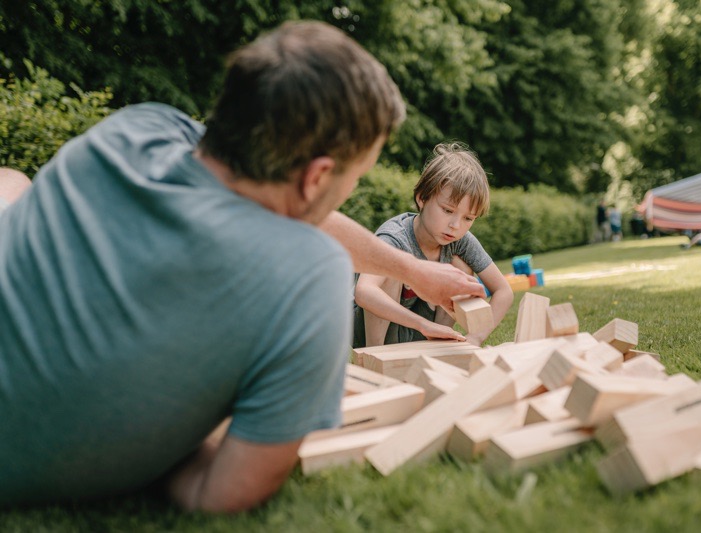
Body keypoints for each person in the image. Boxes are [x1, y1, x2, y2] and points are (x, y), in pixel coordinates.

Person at [0, 21, 485, 513]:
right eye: (353, 178)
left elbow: (285, 202)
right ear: (318, 176)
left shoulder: (136, 130)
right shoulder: (311, 275)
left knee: (11, 183)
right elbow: (223, 492)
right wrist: (156, 436)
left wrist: (414, 271)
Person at [352, 142, 513, 348]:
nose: (455, 225)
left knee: (461, 267)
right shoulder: (395, 236)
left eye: (468, 218)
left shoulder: (459, 241)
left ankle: (439, 346)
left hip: (423, 331)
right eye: (447, 210)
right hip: (378, 332)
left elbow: (503, 291)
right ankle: (374, 358)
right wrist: (422, 324)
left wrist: (476, 337)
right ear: (422, 198)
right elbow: (364, 292)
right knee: (392, 269)